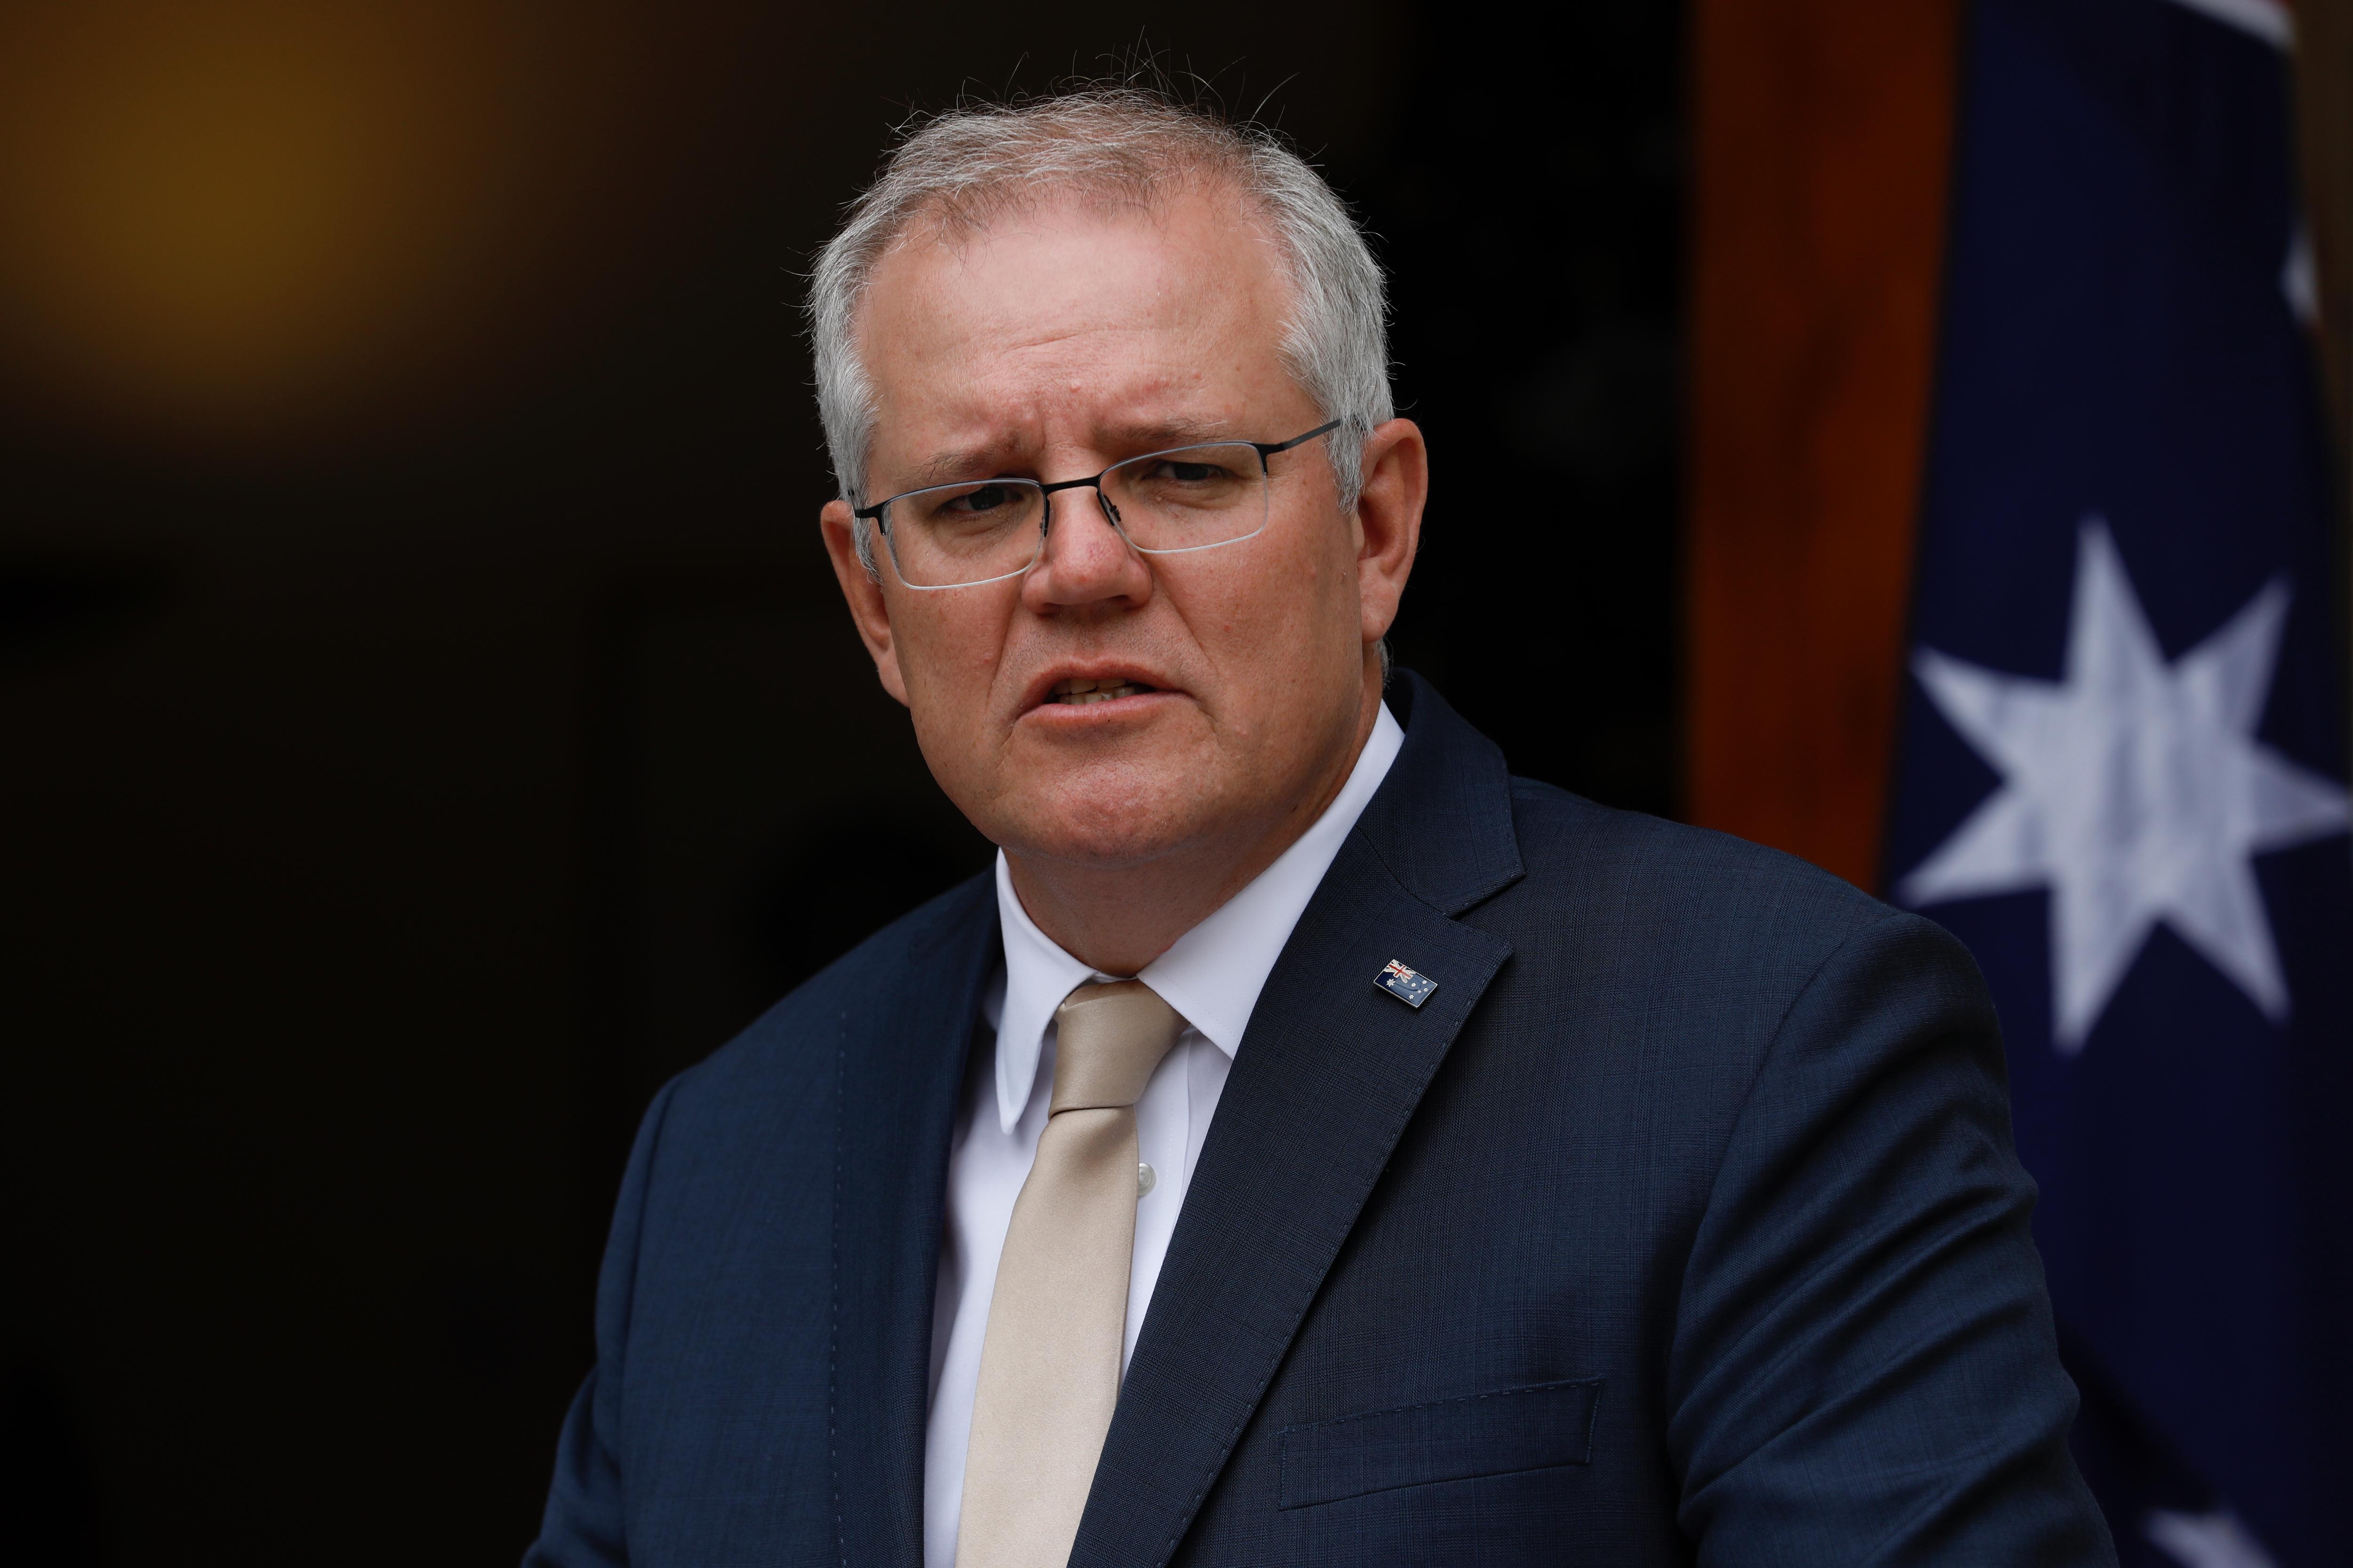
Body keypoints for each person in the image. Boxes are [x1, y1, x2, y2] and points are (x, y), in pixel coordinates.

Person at [526, 88, 2114, 1567]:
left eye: (1181, 468)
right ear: (875, 600)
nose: (1078, 566)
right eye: (980, 500)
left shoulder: (1762, 1041)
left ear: (1376, 525)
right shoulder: (727, 1158)